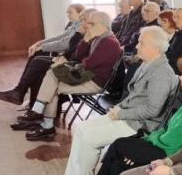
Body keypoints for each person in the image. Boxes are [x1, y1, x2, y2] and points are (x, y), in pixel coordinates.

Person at [39, 26, 179, 175]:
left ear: (155, 48)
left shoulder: (161, 73)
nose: (136, 46)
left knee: (90, 138)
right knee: (82, 129)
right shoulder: (148, 64)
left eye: (141, 43)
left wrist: (120, 113)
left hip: (140, 125)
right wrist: (119, 108)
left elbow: (153, 109)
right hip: (128, 115)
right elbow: (136, 97)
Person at [16, 11, 122, 140]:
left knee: (52, 80)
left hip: (94, 82)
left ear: (102, 26)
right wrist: (86, 39)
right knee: (52, 76)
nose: (87, 25)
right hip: (86, 76)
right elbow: (78, 55)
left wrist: (79, 61)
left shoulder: (109, 42)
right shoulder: (98, 37)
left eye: (91, 23)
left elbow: (88, 64)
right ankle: (42, 118)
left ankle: (43, 119)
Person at [0, 4, 86, 106]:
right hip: (64, 57)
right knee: (38, 54)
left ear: (81, 13)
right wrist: (40, 43)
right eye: (67, 12)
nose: (68, 15)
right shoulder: (74, 25)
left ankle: (22, 93)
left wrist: (42, 46)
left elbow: (64, 44)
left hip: (68, 61)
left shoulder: (81, 27)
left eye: (70, 12)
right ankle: (21, 93)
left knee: (39, 59)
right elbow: (59, 37)